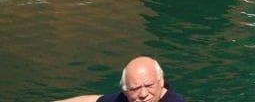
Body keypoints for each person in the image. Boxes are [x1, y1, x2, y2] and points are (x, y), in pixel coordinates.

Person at [53, 56, 185, 102]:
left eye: (149, 85)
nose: (143, 94)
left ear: (161, 82)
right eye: (135, 88)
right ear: (125, 91)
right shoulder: (124, 98)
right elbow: (93, 100)